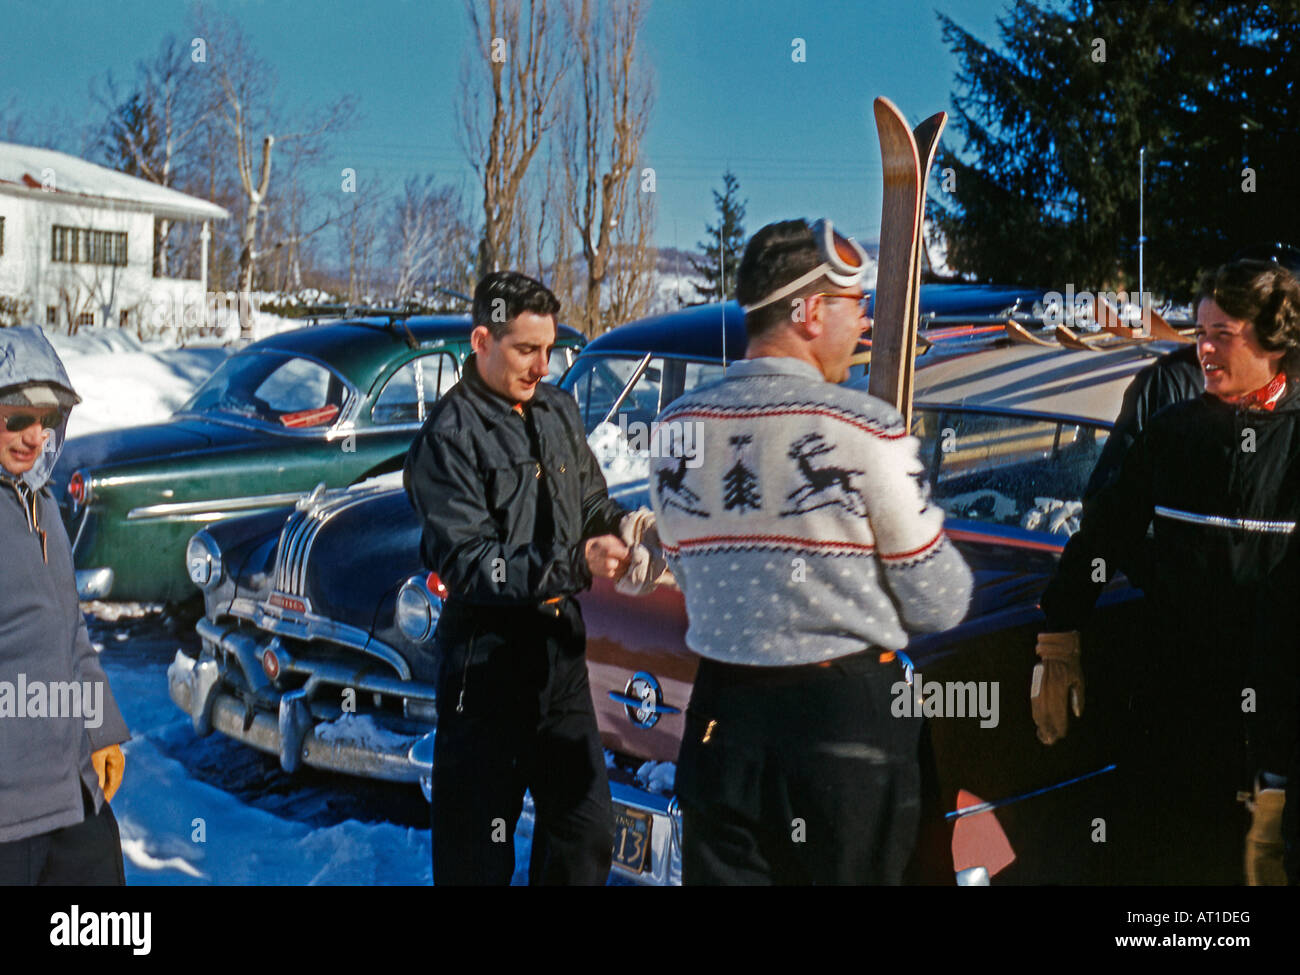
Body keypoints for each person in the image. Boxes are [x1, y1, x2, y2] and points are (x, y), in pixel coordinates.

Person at [649, 218, 974, 884]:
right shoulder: (863, 428)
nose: (863, 324)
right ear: (807, 310)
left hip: (721, 717)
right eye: (854, 304)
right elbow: (942, 598)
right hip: (842, 726)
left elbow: (684, 562)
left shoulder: (677, 426)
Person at [1032, 258, 1300, 884]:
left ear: (1272, 337)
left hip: (1281, 710)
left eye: (1221, 334)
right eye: (1198, 333)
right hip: (1181, 698)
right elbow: (1107, 532)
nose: (1202, 349)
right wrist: (1061, 630)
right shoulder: (1174, 431)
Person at [404, 270, 633, 885]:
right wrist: (574, 564)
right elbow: (473, 564)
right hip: (485, 672)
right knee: (476, 857)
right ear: (482, 340)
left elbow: (589, 501)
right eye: (526, 350)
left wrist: (625, 527)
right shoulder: (447, 440)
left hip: (558, 658)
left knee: (583, 834)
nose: (542, 365)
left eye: (550, 349)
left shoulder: (557, 408)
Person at [0, 325, 130, 885]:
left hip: (74, 795)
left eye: (46, 421)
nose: (33, 437)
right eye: (15, 419)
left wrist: (101, 728)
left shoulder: (42, 504)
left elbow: (70, 630)